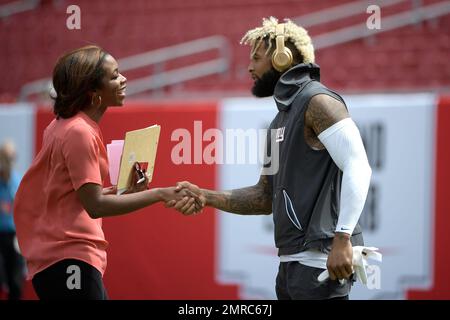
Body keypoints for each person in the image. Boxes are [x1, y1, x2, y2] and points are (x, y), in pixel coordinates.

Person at [168, 17, 372, 300]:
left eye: (257, 57)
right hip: (291, 266)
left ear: (281, 57)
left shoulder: (319, 101)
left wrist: (343, 238)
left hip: (320, 263)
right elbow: (264, 196)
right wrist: (206, 196)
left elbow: (358, 165)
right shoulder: (279, 120)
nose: (250, 67)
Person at [13, 45, 202, 300]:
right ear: (94, 94)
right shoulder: (79, 132)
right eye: (114, 76)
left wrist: (122, 191)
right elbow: (95, 206)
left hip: (61, 260)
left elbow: (76, 195)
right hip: (69, 258)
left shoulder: (65, 126)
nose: (123, 79)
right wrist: (160, 194)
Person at [0, 141, 25, 300]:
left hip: (15, 237)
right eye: (4, 158)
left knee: (15, 281)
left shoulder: (18, 181)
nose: (7, 162)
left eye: (10, 158)